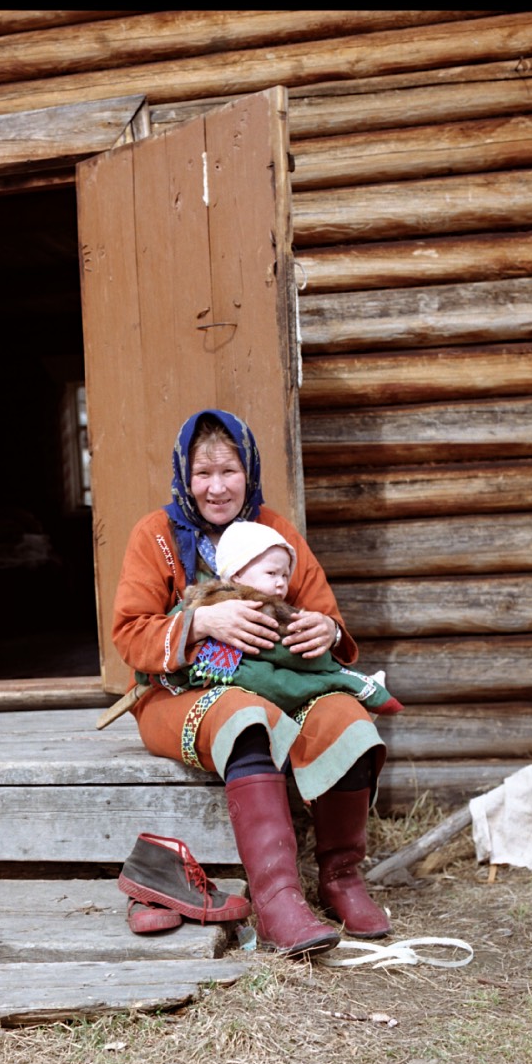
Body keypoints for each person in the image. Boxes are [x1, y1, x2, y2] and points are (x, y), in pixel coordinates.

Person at [113, 409, 392, 954]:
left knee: (347, 718)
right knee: (245, 717)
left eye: (229, 471)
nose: (216, 488)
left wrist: (326, 629)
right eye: (202, 474)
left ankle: (341, 878)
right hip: (179, 693)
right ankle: (276, 901)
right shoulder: (155, 535)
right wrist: (202, 621)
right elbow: (128, 633)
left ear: (249, 472)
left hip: (280, 681)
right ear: (184, 476)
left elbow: (328, 618)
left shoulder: (275, 531)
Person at [158, 521, 403, 716]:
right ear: (238, 573)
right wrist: (323, 660)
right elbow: (288, 652)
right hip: (241, 678)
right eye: (272, 573)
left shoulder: (200, 598)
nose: (281, 583)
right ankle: (347, 682)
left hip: (212, 674)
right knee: (288, 684)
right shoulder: (265, 608)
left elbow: (174, 621)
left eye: (285, 576)